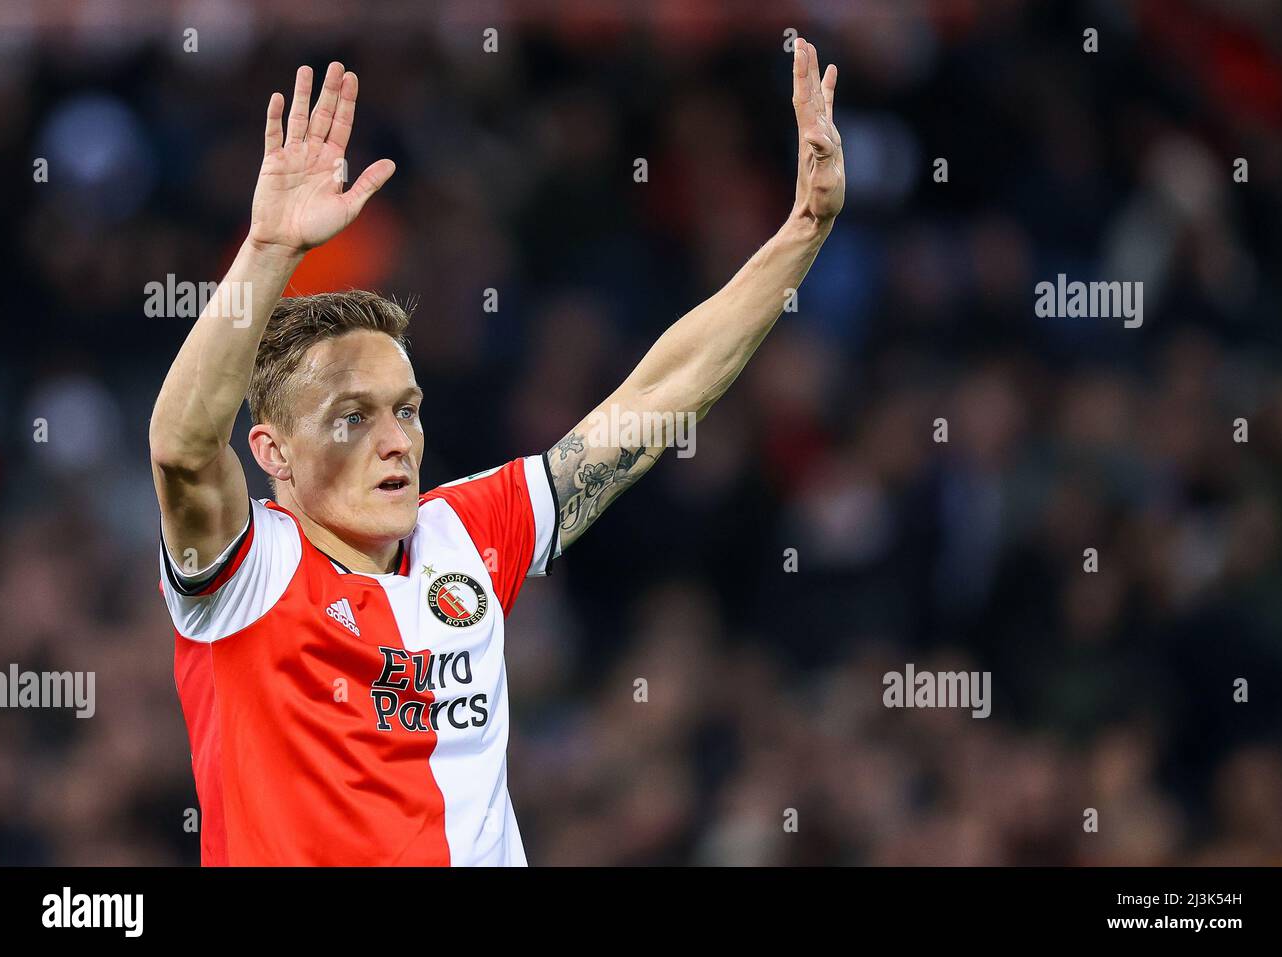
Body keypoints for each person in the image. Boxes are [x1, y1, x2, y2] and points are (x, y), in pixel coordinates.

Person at [149, 38, 845, 866]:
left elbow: (657, 398)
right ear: (273, 452)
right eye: (352, 417)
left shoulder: (467, 535)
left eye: (406, 410)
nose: (395, 440)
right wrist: (267, 253)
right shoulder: (246, 571)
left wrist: (803, 231)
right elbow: (184, 449)